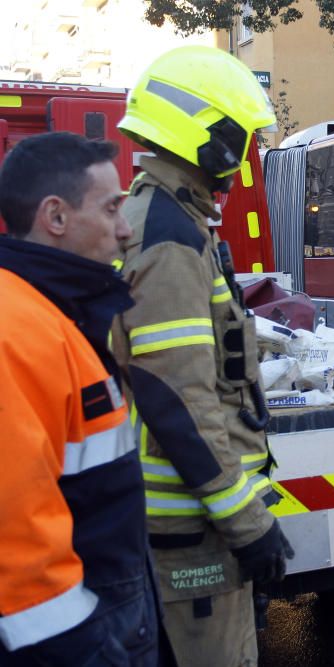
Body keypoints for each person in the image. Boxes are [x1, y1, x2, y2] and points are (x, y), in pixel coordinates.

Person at [112, 46, 292, 667]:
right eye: (241, 137)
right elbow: (176, 396)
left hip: (185, 514)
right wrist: (247, 522)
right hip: (189, 523)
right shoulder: (169, 235)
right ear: (211, 138)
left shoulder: (169, 219)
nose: (244, 153)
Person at [0, 133, 160, 664]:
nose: (125, 227)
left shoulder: (49, 313)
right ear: (56, 216)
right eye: (113, 207)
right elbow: (19, 546)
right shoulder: (18, 329)